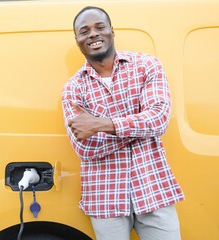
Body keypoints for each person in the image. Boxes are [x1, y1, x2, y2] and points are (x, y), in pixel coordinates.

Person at [61, 6, 185, 240]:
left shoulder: (147, 66)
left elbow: (159, 119)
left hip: (153, 189)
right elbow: (85, 148)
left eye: (99, 27)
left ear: (111, 31)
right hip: (105, 198)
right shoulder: (73, 88)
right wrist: (140, 126)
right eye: (84, 31)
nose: (93, 34)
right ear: (77, 40)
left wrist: (99, 124)